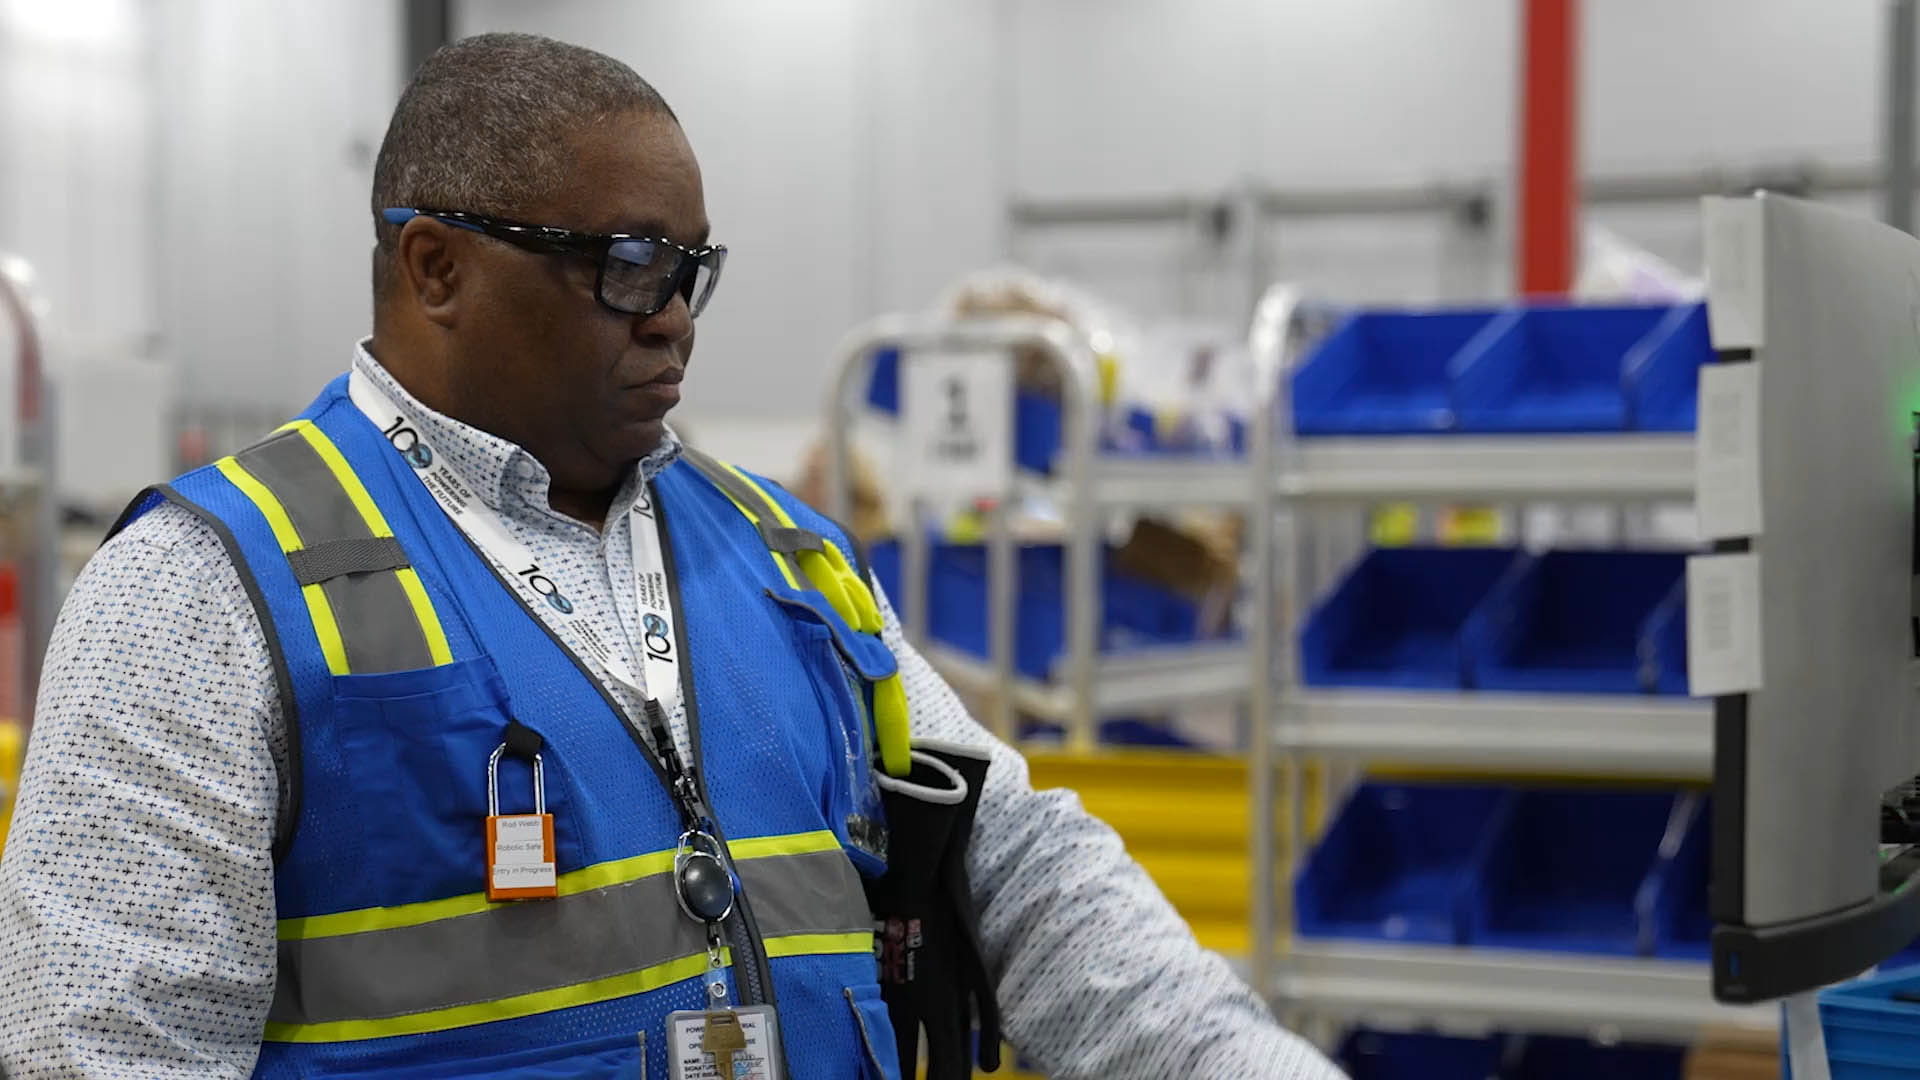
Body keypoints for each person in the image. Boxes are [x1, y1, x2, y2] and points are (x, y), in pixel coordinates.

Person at [0, 33, 1345, 1080]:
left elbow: (1035, 881)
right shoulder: (202, 597)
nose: (674, 323)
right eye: (628, 266)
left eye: (693, 268)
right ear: (434, 269)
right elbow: (104, 1049)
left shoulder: (786, 560)